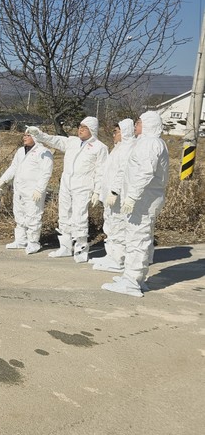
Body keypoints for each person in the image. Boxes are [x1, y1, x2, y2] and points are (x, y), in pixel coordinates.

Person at [102, 111, 169, 297]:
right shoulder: (146, 142)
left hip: (143, 200)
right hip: (143, 199)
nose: (136, 125)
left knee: (137, 239)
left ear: (148, 124)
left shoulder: (150, 143)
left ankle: (132, 282)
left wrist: (132, 196)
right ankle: (134, 278)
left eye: (139, 122)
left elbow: (145, 172)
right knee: (137, 238)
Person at [25, 117, 108, 263]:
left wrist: (97, 191)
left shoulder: (100, 148)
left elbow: (101, 170)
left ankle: (81, 249)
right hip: (66, 184)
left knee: (79, 217)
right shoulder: (72, 142)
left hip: (83, 186)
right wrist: (38, 134)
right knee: (64, 215)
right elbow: (54, 140)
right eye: (80, 126)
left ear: (92, 129)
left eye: (84, 127)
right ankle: (65, 246)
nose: (80, 129)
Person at [0, 131, 53, 254]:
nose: (24, 137)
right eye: (24, 135)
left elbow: (46, 173)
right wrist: (3, 179)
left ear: (35, 137)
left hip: (33, 191)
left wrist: (39, 189)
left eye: (28, 135)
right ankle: (21, 240)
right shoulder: (20, 151)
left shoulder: (44, 152)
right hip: (19, 190)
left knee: (33, 216)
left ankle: (33, 243)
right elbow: (14, 167)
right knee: (19, 215)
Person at [90, 119, 136, 273]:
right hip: (109, 196)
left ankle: (118, 259)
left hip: (118, 196)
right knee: (110, 225)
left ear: (125, 132)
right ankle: (111, 255)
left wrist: (115, 191)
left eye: (116, 132)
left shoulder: (129, 148)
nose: (114, 135)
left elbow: (122, 172)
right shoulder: (118, 148)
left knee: (118, 226)